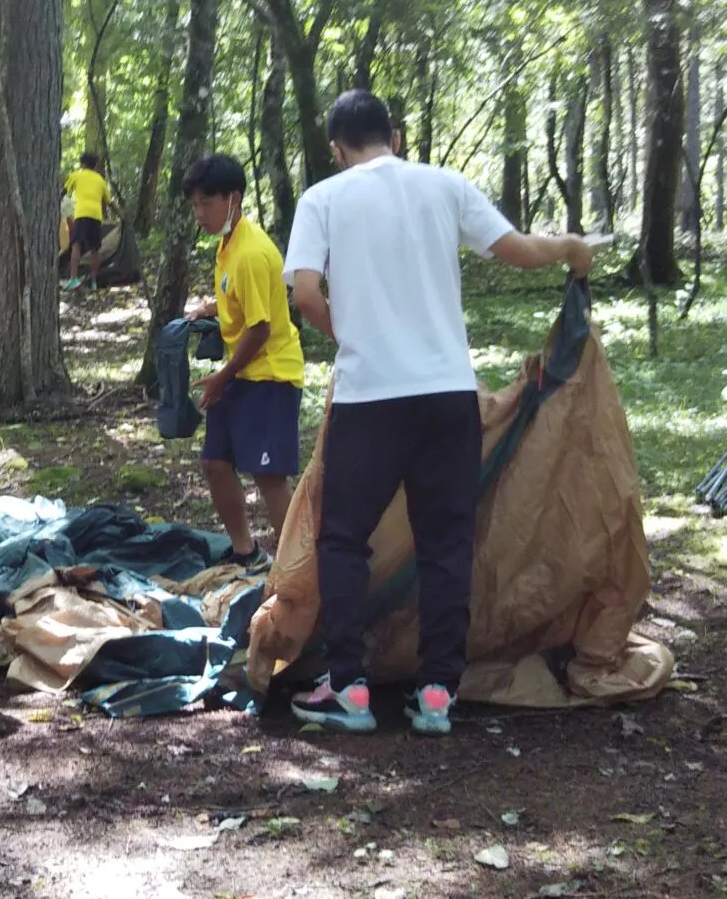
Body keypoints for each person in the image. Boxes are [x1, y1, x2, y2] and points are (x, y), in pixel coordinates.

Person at [283, 90, 599, 736]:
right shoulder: (444, 185)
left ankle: (348, 687)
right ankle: (436, 693)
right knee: (446, 542)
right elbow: (514, 248)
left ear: (337, 147)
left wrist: (348, 333)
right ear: (394, 136)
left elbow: (305, 291)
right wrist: (571, 245)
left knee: (343, 538)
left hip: (369, 399)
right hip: (447, 396)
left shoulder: (324, 199)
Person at [181, 154, 303, 568]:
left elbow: (261, 327)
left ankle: (295, 568)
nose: (200, 213)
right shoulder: (229, 245)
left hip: (269, 374)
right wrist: (209, 309)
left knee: (268, 476)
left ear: (233, 198)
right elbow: (241, 299)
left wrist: (221, 377)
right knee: (216, 463)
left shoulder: (251, 251)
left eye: (207, 203)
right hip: (240, 373)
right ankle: (245, 552)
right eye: (194, 204)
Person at [63, 152, 114, 290]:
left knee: (76, 245)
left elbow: (64, 191)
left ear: (82, 163)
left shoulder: (76, 175)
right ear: (95, 165)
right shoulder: (100, 180)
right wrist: (121, 214)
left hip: (81, 214)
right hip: (96, 216)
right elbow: (109, 201)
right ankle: (93, 281)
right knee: (95, 249)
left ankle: (74, 279)